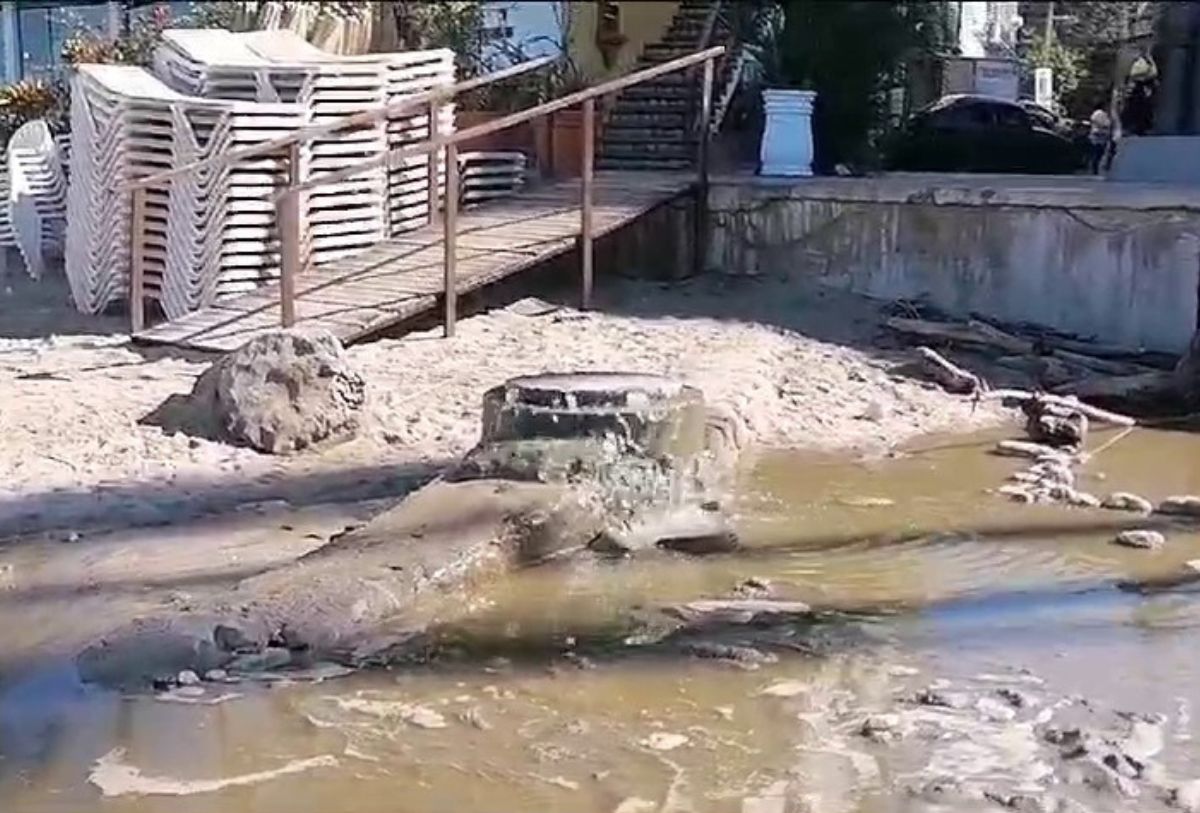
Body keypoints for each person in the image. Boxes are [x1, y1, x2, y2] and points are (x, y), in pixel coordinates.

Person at [1087, 104, 1112, 175]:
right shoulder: (1100, 114)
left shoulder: (1095, 114)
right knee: (1099, 152)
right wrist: (1105, 126)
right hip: (1100, 134)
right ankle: (1095, 168)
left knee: (1097, 152)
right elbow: (1105, 123)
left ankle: (1094, 168)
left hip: (1097, 134)